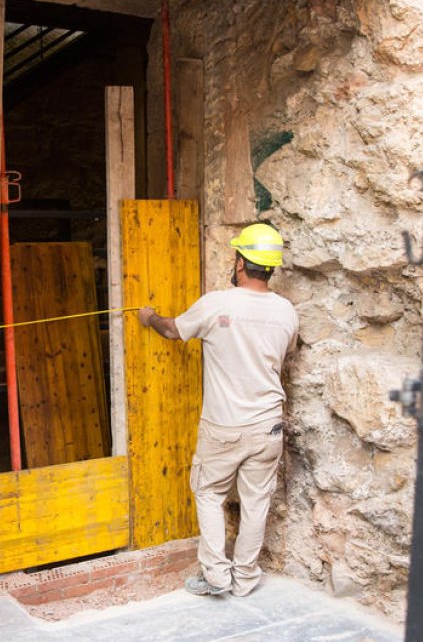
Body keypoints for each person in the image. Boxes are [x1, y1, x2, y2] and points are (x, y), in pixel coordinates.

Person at [137, 223, 299, 598]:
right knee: (257, 500)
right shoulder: (286, 312)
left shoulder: (217, 303)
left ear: (241, 262)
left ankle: (215, 576)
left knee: (208, 492)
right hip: (269, 426)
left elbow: (173, 330)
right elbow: (284, 353)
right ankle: (245, 578)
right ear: (270, 266)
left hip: (225, 425)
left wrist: (149, 318)